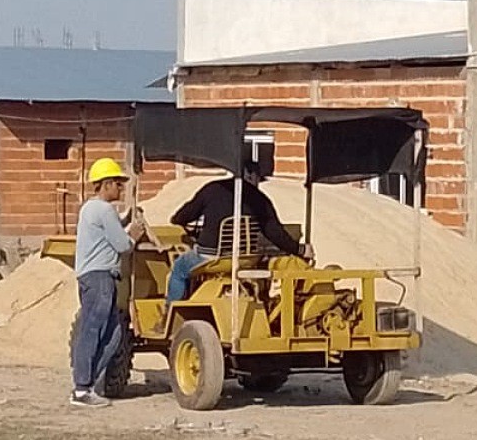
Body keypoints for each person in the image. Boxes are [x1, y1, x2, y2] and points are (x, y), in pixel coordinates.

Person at [162, 157, 305, 315]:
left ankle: (170, 313)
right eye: (257, 178)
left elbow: (183, 216)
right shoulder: (260, 199)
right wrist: (299, 249)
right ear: (249, 174)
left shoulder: (211, 190)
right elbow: (275, 232)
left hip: (212, 258)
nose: (258, 183)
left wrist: (177, 220)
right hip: (246, 259)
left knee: (179, 268)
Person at [69, 157, 147, 408]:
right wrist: (133, 235)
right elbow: (122, 245)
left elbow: (110, 231)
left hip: (93, 277)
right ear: (106, 184)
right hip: (100, 277)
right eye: (118, 184)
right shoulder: (103, 210)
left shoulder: (90, 209)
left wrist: (126, 221)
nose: (121, 189)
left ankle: (87, 384)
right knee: (93, 331)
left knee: (113, 335)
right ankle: (82, 389)